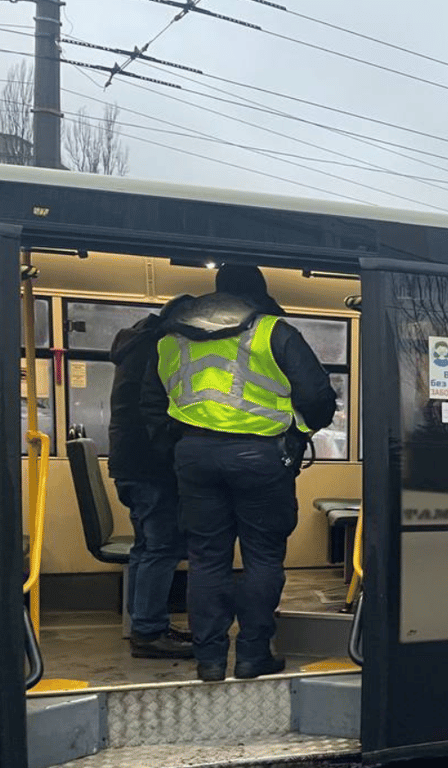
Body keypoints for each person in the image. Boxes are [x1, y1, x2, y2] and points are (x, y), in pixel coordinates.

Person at [142, 265, 336, 682]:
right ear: (259, 295)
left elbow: (151, 406)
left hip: (194, 456)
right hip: (261, 456)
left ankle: (209, 660)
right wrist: (300, 430)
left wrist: (178, 449)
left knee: (206, 559)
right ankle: (252, 655)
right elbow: (318, 396)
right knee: (262, 557)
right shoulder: (273, 331)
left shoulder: (170, 337)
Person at [108, 295, 194, 659]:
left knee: (145, 547)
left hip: (128, 461)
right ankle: (148, 631)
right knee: (162, 547)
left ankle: (145, 623)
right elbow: (155, 413)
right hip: (150, 464)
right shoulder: (160, 350)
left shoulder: (135, 343)